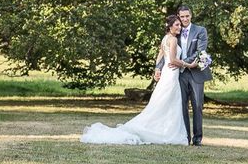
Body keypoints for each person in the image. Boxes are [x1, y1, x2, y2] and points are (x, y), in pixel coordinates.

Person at [80, 15, 192, 145]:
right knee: (168, 103)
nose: (179, 27)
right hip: (171, 75)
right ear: (170, 26)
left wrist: (157, 69)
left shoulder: (165, 38)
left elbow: (160, 55)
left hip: (167, 74)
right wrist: (188, 65)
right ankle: (164, 132)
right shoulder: (172, 39)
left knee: (162, 104)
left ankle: (163, 129)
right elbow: (172, 60)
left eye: (179, 25)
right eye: (177, 25)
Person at [155, 5, 212, 146]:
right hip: (179, 75)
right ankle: (185, 137)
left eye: (187, 16)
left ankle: (197, 138)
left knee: (198, 105)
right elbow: (164, 51)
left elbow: (199, 51)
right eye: (182, 17)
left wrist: (180, 62)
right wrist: (158, 67)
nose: (185, 19)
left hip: (196, 73)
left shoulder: (200, 30)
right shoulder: (175, 31)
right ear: (178, 17)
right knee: (181, 106)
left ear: (191, 15)